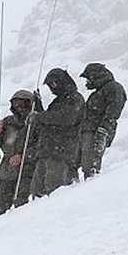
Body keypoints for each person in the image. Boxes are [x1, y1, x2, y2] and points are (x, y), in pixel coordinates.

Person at [29, 68, 84, 199]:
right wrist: (38, 108)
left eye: (52, 84)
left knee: (55, 192)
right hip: (47, 152)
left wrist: (41, 116)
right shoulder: (57, 102)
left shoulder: (75, 98)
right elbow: (49, 122)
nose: (51, 88)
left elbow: (66, 118)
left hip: (61, 153)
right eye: (49, 86)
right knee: (37, 191)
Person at [0, 90, 40, 215]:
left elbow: (41, 146)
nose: (19, 108)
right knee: (0, 208)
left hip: (27, 171)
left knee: (21, 206)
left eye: (23, 104)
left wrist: (23, 156)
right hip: (7, 172)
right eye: (16, 105)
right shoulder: (7, 122)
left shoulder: (36, 122)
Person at [77, 63, 127, 178]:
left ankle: (90, 183)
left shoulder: (113, 88)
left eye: (88, 78)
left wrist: (103, 129)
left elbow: (113, 111)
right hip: (90, 130)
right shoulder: (99, 91)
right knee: (84, 161)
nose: (87, 82)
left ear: (95, 76)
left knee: (90, 163)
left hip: (97, 131)